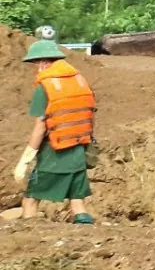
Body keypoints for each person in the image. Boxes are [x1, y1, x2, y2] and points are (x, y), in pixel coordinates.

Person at [13, 31, 98, 224]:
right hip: (78, 150)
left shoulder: (45, 86)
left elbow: (40, 126)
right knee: (78, 203)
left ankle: (31, 237)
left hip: (55, 150)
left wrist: (26, 159)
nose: (35, 69)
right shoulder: (79, 81)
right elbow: (89, 113)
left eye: (35, 64)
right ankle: (85, 235)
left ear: (43, 62)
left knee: (31, 198)